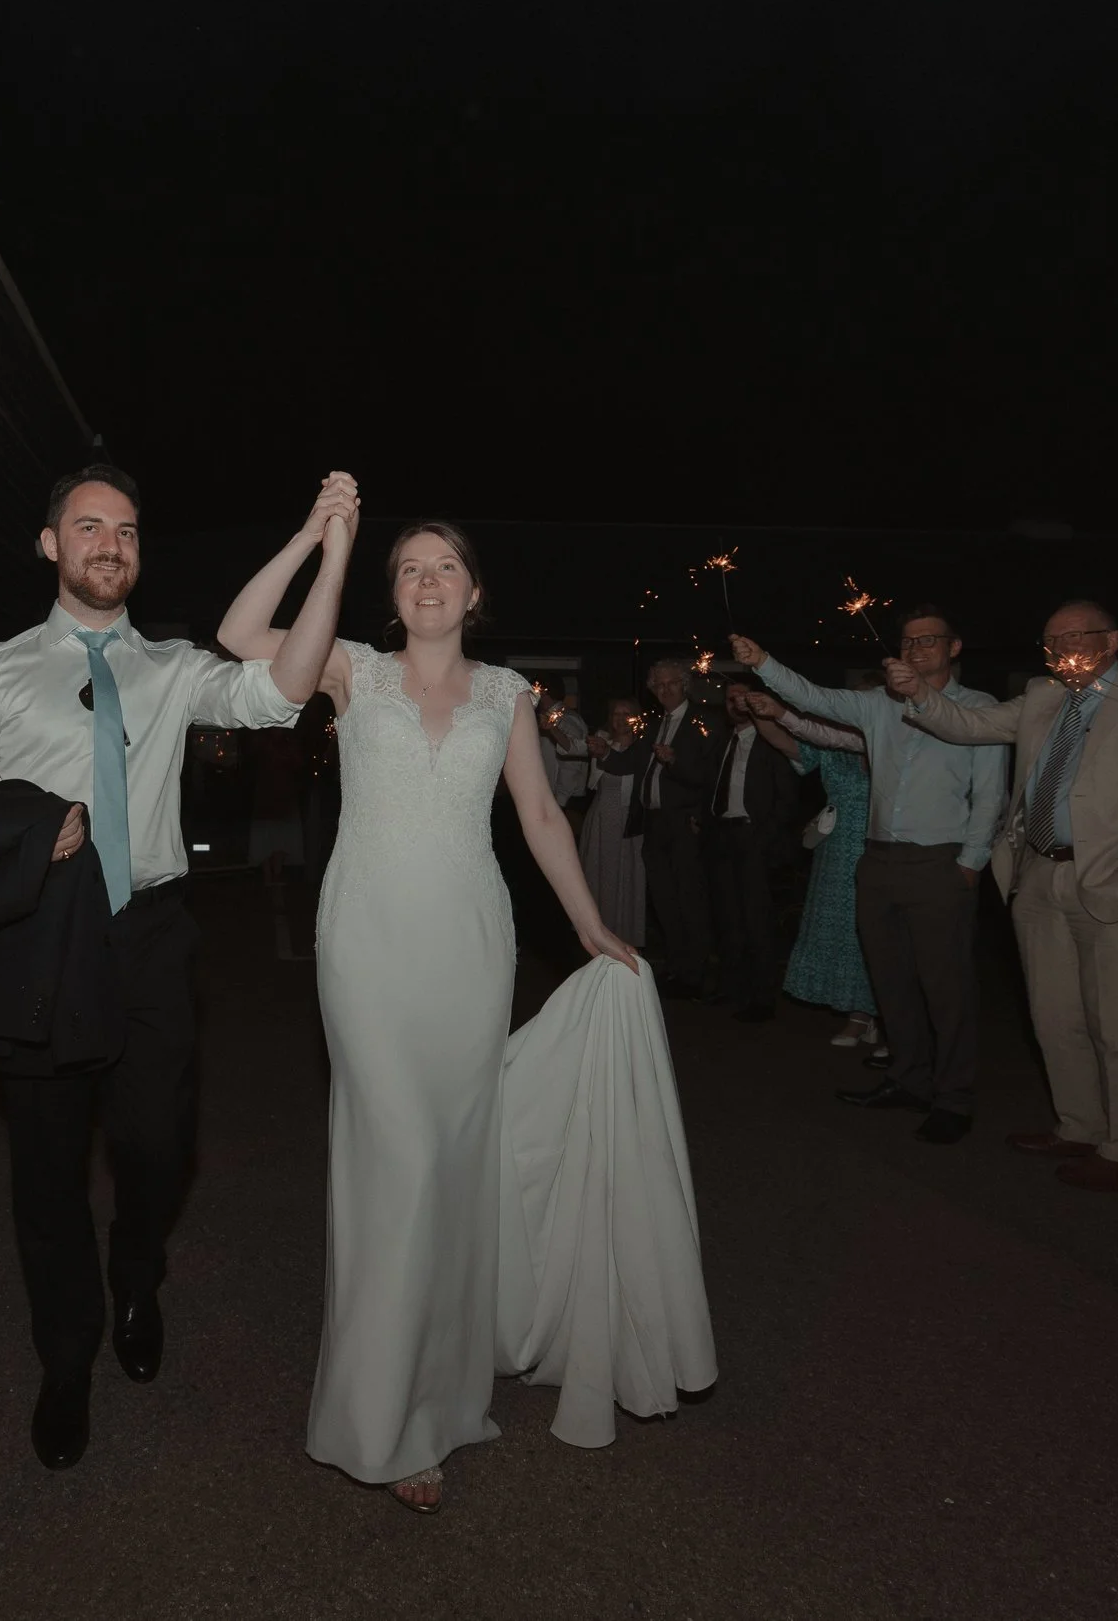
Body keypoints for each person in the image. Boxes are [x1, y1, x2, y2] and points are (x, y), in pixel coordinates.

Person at [225, 513, 706, 1515]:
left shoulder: (504, 692)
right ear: (389, 590)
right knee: (397, 1160)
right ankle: (386, 1416)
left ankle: (443, 1391)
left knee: (447, 1165)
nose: (429, 580)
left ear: (474, 592)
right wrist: (324, 537)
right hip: (366, 946)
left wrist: (589, 925)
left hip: (470, 947)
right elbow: (239, 633)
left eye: (446, 566)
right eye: (409, 568)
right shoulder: (348, 667)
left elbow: (536, 814)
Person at [0, 464, 336, 1472]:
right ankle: (66, 1357)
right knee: (47, 1169)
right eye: (89, 525)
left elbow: (282, 695)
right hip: (39, 936)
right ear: (51, 545)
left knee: (155, 1143)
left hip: (148, 931)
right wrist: (26, 833)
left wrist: (326, 550)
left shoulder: (170, 665)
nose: (111, 542)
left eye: (128, 529)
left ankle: (137, 1270)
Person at [889, 600, 1118, 1189]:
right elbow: (971, 725)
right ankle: (1079, 1124)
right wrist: (918, 694)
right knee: (1054, 1014)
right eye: (1049, 641)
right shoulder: (1043, 694)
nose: (1058, 650)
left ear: (1110, 640)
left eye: (1072, 638)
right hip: (1037, 872)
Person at [733, 611, 1007, 1143]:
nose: (916, 647)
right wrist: (763, 662)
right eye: (908, 641)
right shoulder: (877, 703)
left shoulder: (980, 709)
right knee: (890, 979)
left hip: (940, 860)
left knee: (945, 986)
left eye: (929, 639)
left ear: (954, 647)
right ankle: (908, 1079)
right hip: (877, 858)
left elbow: (991, 791)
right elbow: (814, 699)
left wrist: (971, 862)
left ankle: (953, 1096)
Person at [750, 694, 879, 1049]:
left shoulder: (889, 743)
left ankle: (881, 1017)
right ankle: (860, 1014)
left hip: (876, 848)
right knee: (842, 935)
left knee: (875, 935)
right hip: (836, 853)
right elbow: (785, 742)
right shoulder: (831, 746)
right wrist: (757, 713)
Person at [590, 659, 721, 998]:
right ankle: (677, 968)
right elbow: (630, 763)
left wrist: (675, 762)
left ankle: (696, 971)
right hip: (655, 824)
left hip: (684, 823)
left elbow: (711, 777)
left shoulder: (702, 722)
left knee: (690, 899)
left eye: (671, 684)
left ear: (685, 685)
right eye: (658, 685)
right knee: (664, 900)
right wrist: (604, 753)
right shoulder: (654, 725)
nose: (664, 690)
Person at [703, 675, 806, 1020]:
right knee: (727, 917)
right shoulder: (720, 741)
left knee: (757, 920)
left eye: (743, 698)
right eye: (731, 698)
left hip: (753, 838)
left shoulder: (770, 743)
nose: (737, 704)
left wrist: (765, 837)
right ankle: (731, 988)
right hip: (722, 836)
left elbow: (787, 798)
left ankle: (762, 998)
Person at [576, 698, 646, 945]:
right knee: (600, 873)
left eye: (626, 713)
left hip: (628, 818)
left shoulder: (643, 746)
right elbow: (573, 747)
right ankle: (597, 930)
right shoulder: (602, 740)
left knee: (625, 874)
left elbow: (626, 769)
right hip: (602, 815)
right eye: (616, 713)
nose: (620, 718)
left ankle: (624, 932)